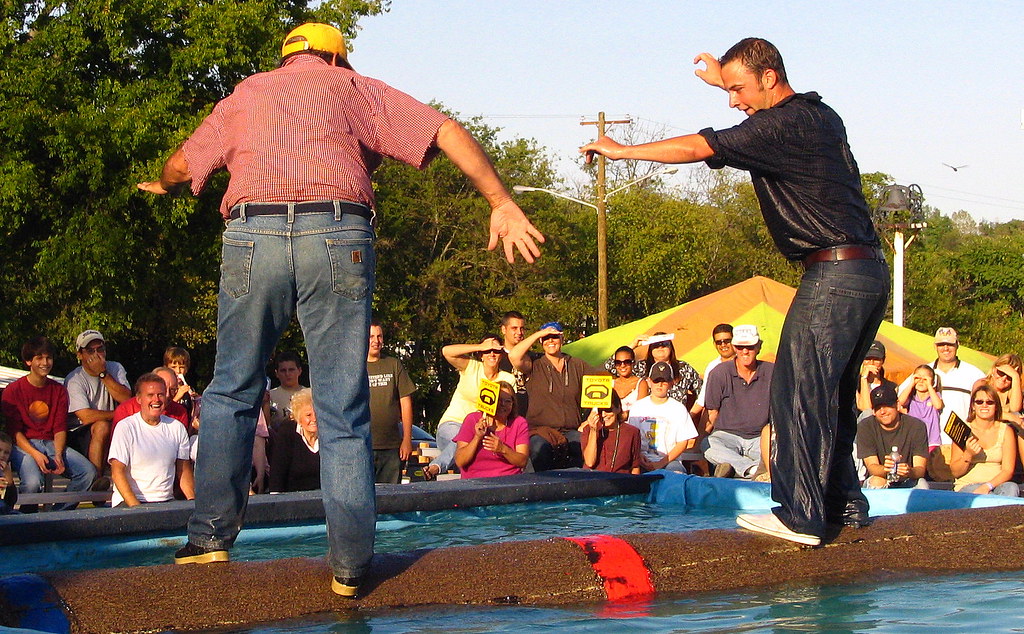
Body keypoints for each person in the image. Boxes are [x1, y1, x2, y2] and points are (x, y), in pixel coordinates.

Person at [137, 21, 543, 597]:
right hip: (337, 232)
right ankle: (350, 567)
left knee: (231, 388)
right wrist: (500, 202)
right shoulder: (354, 89)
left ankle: (208, 541)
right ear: (338, 59)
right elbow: (444, 130)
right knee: (341, 402)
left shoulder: (247, 92)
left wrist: (165, 181)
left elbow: (184, 164)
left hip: (253, 233)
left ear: (285, 59)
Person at [582, 37, 888, 546]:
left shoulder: (781, 125)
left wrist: (620, 149)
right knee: (832, 396)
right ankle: (844, 506)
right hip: (866, 273)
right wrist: (722, 78)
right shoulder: (818, 115)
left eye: (739, 89)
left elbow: (700, 146)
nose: (732, 101)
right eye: (727, 91)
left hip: (832, 275)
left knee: (795, 392)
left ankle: (801, 517)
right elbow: (755, 114)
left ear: (770, 78)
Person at [2, 336, 96, 511]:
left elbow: (60, 427)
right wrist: (36, 454)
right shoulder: (13, 391)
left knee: (87, 472)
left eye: (48, 358)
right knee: (32, 482)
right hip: (24, 444)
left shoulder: (59, 390)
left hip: (51, 443)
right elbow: (15, 432)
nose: (45, 363)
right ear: (28, 361)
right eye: (39, 358)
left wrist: (58, 455)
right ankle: (27, 521)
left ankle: (57, 514)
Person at [423, 335, 515, 480]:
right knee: (464, 437)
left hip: (486, 430)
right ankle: (436, 467)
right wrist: (480, 346)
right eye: (487, 350)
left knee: (477, 445)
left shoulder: (508, 379)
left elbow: (509, 409)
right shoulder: (471, 366)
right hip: (454, 424)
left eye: (496, 350)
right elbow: (447, 351)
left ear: (501, 354)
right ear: (481, 355)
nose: (491, 354)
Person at [509, 322, 598, 471]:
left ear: (562, 339)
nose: (550, 341)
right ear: (541, 341)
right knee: (539, 450)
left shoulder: (577, 365)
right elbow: (513, 355)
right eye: (546, 338)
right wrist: (539, 333)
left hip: (571, 430)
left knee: (581, 447)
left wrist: (590, 419)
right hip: (540, 431)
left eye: (555, 337)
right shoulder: (534, 364)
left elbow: (603, 382)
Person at [108, 373, 195, 507]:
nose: (156, 399)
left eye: (160, 394)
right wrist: (136, 508)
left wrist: (192, 502)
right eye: (150, 395)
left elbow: (183, 470)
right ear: (138, 399)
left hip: (166, 502)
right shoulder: (126, 427)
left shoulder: (177, 428)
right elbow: (117, 472)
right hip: (130, 502)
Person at [702, 325, 774, 479]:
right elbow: (712, 413)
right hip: (726, 436)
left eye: (750, 347)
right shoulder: (719, 373)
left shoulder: (772, 372)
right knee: (709, 446)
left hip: (759, 438)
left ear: (759, 346)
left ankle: (734, 469)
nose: (745, 351)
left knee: (777, 450)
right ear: (735, 347)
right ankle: (753, 470)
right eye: (741, 347)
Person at [64, 330, 132, 480]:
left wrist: (103, 374)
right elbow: (86, 416)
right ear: (80, 355)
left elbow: (127, 399)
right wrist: (119, 414)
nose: (96, 355)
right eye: (90, 351)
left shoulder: (115, 368)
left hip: (113, 428)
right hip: (79, 434)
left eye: (100, 349)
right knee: (102, 426)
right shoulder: (74, 379)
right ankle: (96, 479)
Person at [902, 327, 986, 444]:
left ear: (957, 345)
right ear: (935, 346)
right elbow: (899, 400)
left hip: (962, 441)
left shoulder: (973, 373)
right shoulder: (922, 372)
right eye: (941, 344)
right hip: (927, 443)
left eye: (950, 344)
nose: (945, 348)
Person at [628, 362, 699, 472]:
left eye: (664, 381)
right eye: (656, 381)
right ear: (649, 382)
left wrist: (661, 463)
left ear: (671, 383)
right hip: (641, 459)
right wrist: (639, 456)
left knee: (676, 474)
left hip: (670, 461)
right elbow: (632, 437)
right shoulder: (637, 407)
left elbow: (682, 442)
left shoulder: (678, 408)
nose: (660, 385)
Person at [366, 320, 415, 484]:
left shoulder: (393, 364)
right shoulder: (355, 367)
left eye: (379, 336)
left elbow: (405, 403)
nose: (376, 340)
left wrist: (407, 439)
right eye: (371, 336)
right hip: (363, 445)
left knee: (389, 497)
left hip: (391, 446)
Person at [948, 385, 1019, 496]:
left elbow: (1008, 470)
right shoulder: (963, 430)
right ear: (973, 406)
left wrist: (988, 486)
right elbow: (955, 472)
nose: (984, 405)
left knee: (1011, 487)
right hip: (968, 485)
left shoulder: (1006, 431)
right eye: (979, 402)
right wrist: (968, 454)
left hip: (995, 485)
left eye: (990, 402)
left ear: (996, 406)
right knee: (988, 497)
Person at [856, 384, 929, 489]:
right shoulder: (865, 426)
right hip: (881, 477)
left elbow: (920, 469)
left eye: (887, 406)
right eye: (878, 408)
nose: (882, 411)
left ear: (897, 405)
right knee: (877, 481)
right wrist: (886, 469)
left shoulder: (917, 426)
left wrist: (909, 471)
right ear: (873, 411)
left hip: (909, 480)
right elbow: (872, 467)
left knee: (922, 485)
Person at [453, 381, 529, 478]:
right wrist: (477, 437)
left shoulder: (519, 423)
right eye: (499, 400)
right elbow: (460, 461)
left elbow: (522, 461)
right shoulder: (472, 420)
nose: (503, 404)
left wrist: (502, 449)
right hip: (475, 483)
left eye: (508, 401)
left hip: (508, 481)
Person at [623, 333, 702, 409]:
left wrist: (691, 414)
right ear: (650, 349)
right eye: (656, 345)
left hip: (676, 418)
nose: (660, 347)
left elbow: (703, 391)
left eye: (664, 344)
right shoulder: (641, 367)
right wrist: (633, 345)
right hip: (647, 418)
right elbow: (613, 367)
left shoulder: (683, 368)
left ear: (671, 348)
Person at [268, 389, 322, 493]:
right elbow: (278, 472)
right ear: (298, 417)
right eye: (308, 415)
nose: (314, 419)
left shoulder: (329, 434)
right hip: (294, 498)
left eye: (317, 413)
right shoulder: (287, 432)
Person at [580, 392, 642, 474]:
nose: (603, 414)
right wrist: (593, 431)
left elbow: (635, 467)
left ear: (618, 408)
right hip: (593, 480)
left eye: (608, 410)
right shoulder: (588, 430)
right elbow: (589, 462)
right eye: (600, 411)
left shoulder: (632, 432)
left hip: (620, 481)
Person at [690, 324, 735, 420]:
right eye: (719, 342)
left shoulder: (744, 363)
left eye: (727, 341)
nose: (723, 345)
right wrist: (688, 418)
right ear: (714, 344)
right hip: (716, 418)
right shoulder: (712, 366)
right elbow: (703, 398)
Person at [898, 364, 944, 453]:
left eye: (925, 379)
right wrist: (911, 383)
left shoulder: (935, 396)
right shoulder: (911, 398)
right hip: (914, 441)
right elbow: (900, 402)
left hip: (932, 441)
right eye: (918, 378)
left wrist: (930, 386)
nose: (921, 381)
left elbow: (938, 405)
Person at [972, 354, 1022, 424]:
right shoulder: (981, 384)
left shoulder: (1011, 390)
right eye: (1001, 373)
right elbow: (980, 410)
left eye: (1009, 376)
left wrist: (1015, 377)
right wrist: (1009, 416)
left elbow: (1015, 409)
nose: (1004, 378)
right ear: (994, 370)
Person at [268, 351, 306, 431]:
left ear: (299, 371)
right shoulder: (270, 396)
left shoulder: (309, 394)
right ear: (277, 373)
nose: (287, 374)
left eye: (291, 370)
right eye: (283, 370)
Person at [856, 341, 896, 417]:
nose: (871, 362)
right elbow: (866, 409)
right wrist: (864, 379)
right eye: (868, 359)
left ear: (883, 360)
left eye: (876, 359)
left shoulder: (891, 387)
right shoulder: (853, 384)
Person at [164, 346, 199, 422]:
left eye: (182, 367)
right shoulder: (164, 389)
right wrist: (177, 397)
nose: (178, 371)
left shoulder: (189, 389)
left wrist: (195, 401)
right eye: (173, 367)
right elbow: (163, 411)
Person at [608, 346, 648, 414]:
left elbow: (640, 409)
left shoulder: (641, 383)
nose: (622, 365)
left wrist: (626, 415)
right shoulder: (610, 384)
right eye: (618, 362)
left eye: (627, 362)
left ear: (633, 363)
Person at [0, 433, 17, 514]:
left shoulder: (4, 471)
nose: (2, 455)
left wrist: (10, 482)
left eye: (6, 453)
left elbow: (11, 503)